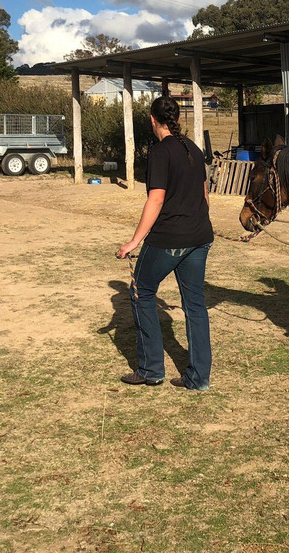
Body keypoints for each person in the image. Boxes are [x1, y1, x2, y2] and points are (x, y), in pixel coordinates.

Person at [116, 95, 214, 390]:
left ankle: (150, 369)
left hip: (170, 239)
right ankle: (199, 378)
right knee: (195, 305)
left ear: (151, 119)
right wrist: (196, 222)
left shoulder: (160, 153)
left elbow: (156, 198)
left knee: (142, 291)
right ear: (178, 119)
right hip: (199, 238)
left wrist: (135, 240)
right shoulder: (194, 150)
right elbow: (205, 195)